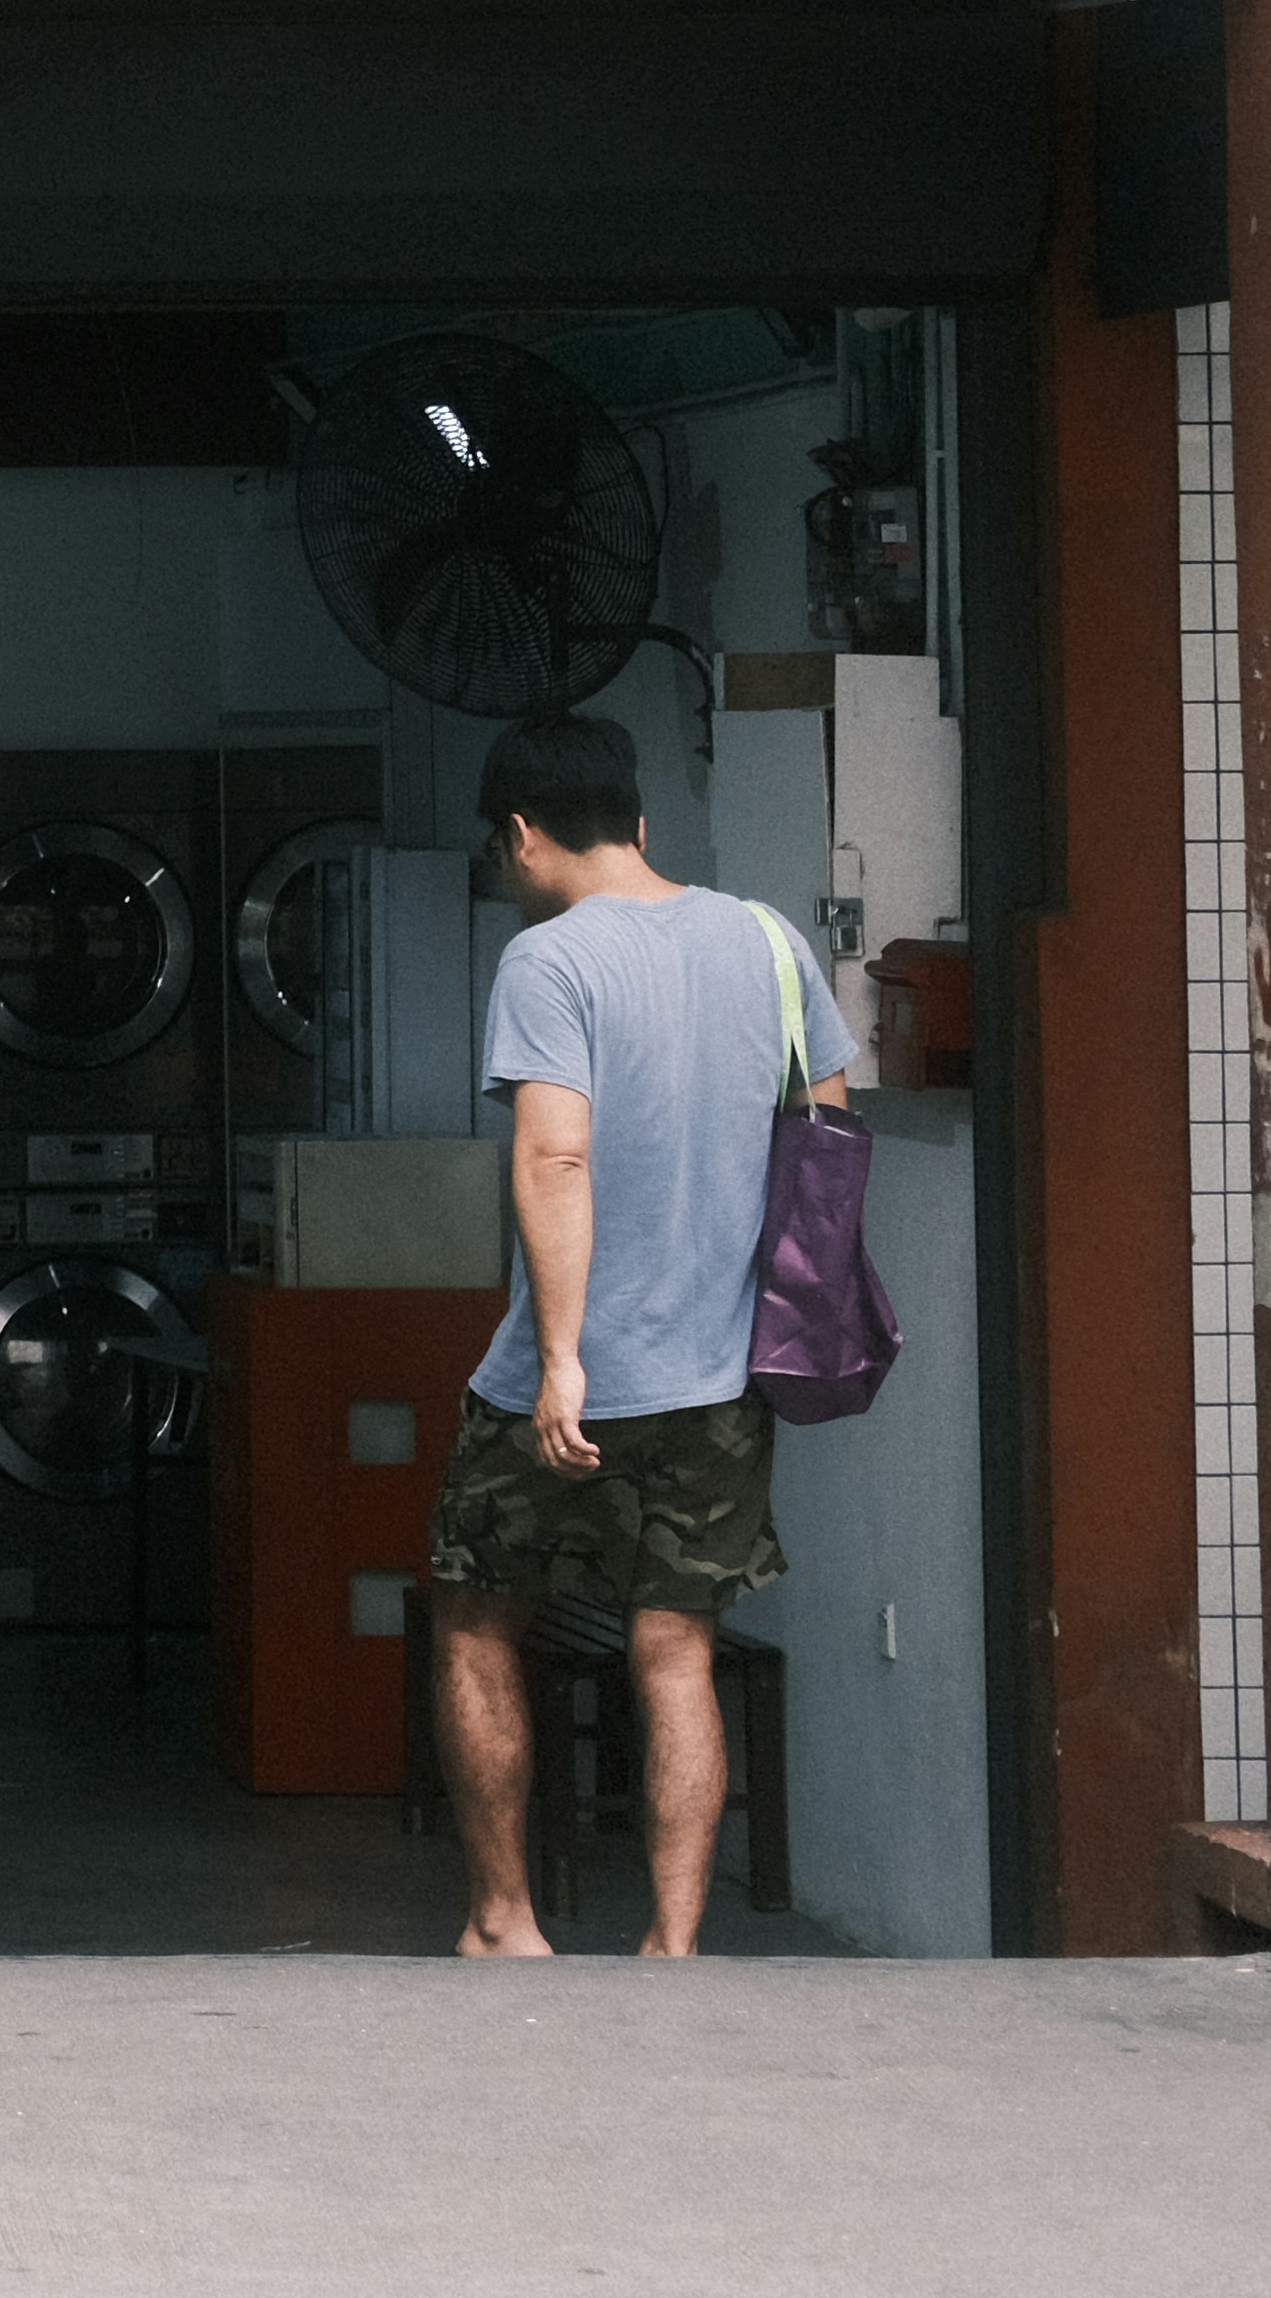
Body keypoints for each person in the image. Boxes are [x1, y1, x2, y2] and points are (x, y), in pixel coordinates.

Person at [423, 708, 851, 1957]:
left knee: (476, 1612)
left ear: (521, 833)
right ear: (642, 818)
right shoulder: (770, 940)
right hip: (724, 1375)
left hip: (561, 1381)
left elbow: (555, 1154)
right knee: (676, 1649)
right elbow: (824, 1125)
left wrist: (562, 1356)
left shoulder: (549, 961)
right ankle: (674, 1943)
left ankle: (507, 1918)